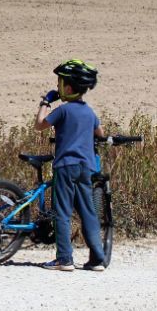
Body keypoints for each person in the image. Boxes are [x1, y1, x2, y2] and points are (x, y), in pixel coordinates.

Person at [34, 59, 108, 272]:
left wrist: (45, 103)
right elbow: (100, 133)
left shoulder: (64, 110)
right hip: (86, 167)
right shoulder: (89, 112)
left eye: (59, 83)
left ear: (67, 88)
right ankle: (97, 260)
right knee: (88, 212)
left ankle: (64, 259)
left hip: (65, 166)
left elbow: (39, 125)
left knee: (62, 211)